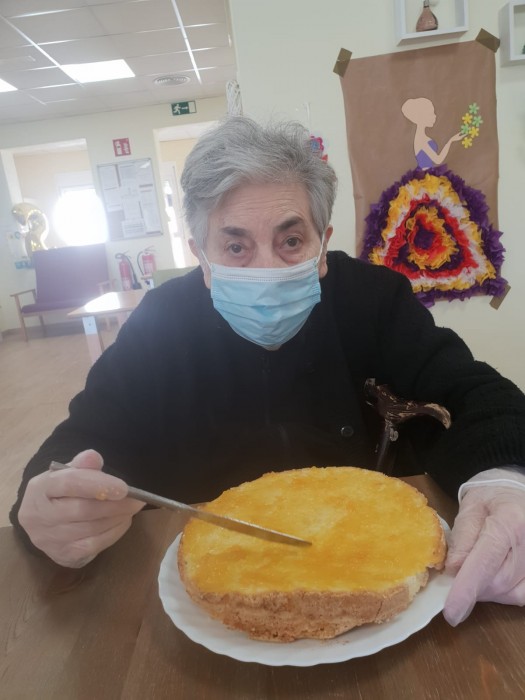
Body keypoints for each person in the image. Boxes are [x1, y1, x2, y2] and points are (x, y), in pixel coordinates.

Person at [10, 117, 525, 628]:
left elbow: (474, 391)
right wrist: (53, 509)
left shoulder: (373, 299)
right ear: (201, 257)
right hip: (205, 595)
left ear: (321, 246)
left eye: (291, 241)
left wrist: (502, 480)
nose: (266, 271)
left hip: (375, 576)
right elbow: (82, 443)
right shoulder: (159, 323)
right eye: (235, 247)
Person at [401, 97, 463, 169]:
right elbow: (438, 160)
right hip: (425, 173)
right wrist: (451, 141)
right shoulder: (421, 140)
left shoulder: (421, 137)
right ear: (422, 117)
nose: (435, 116)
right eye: (431, 113)